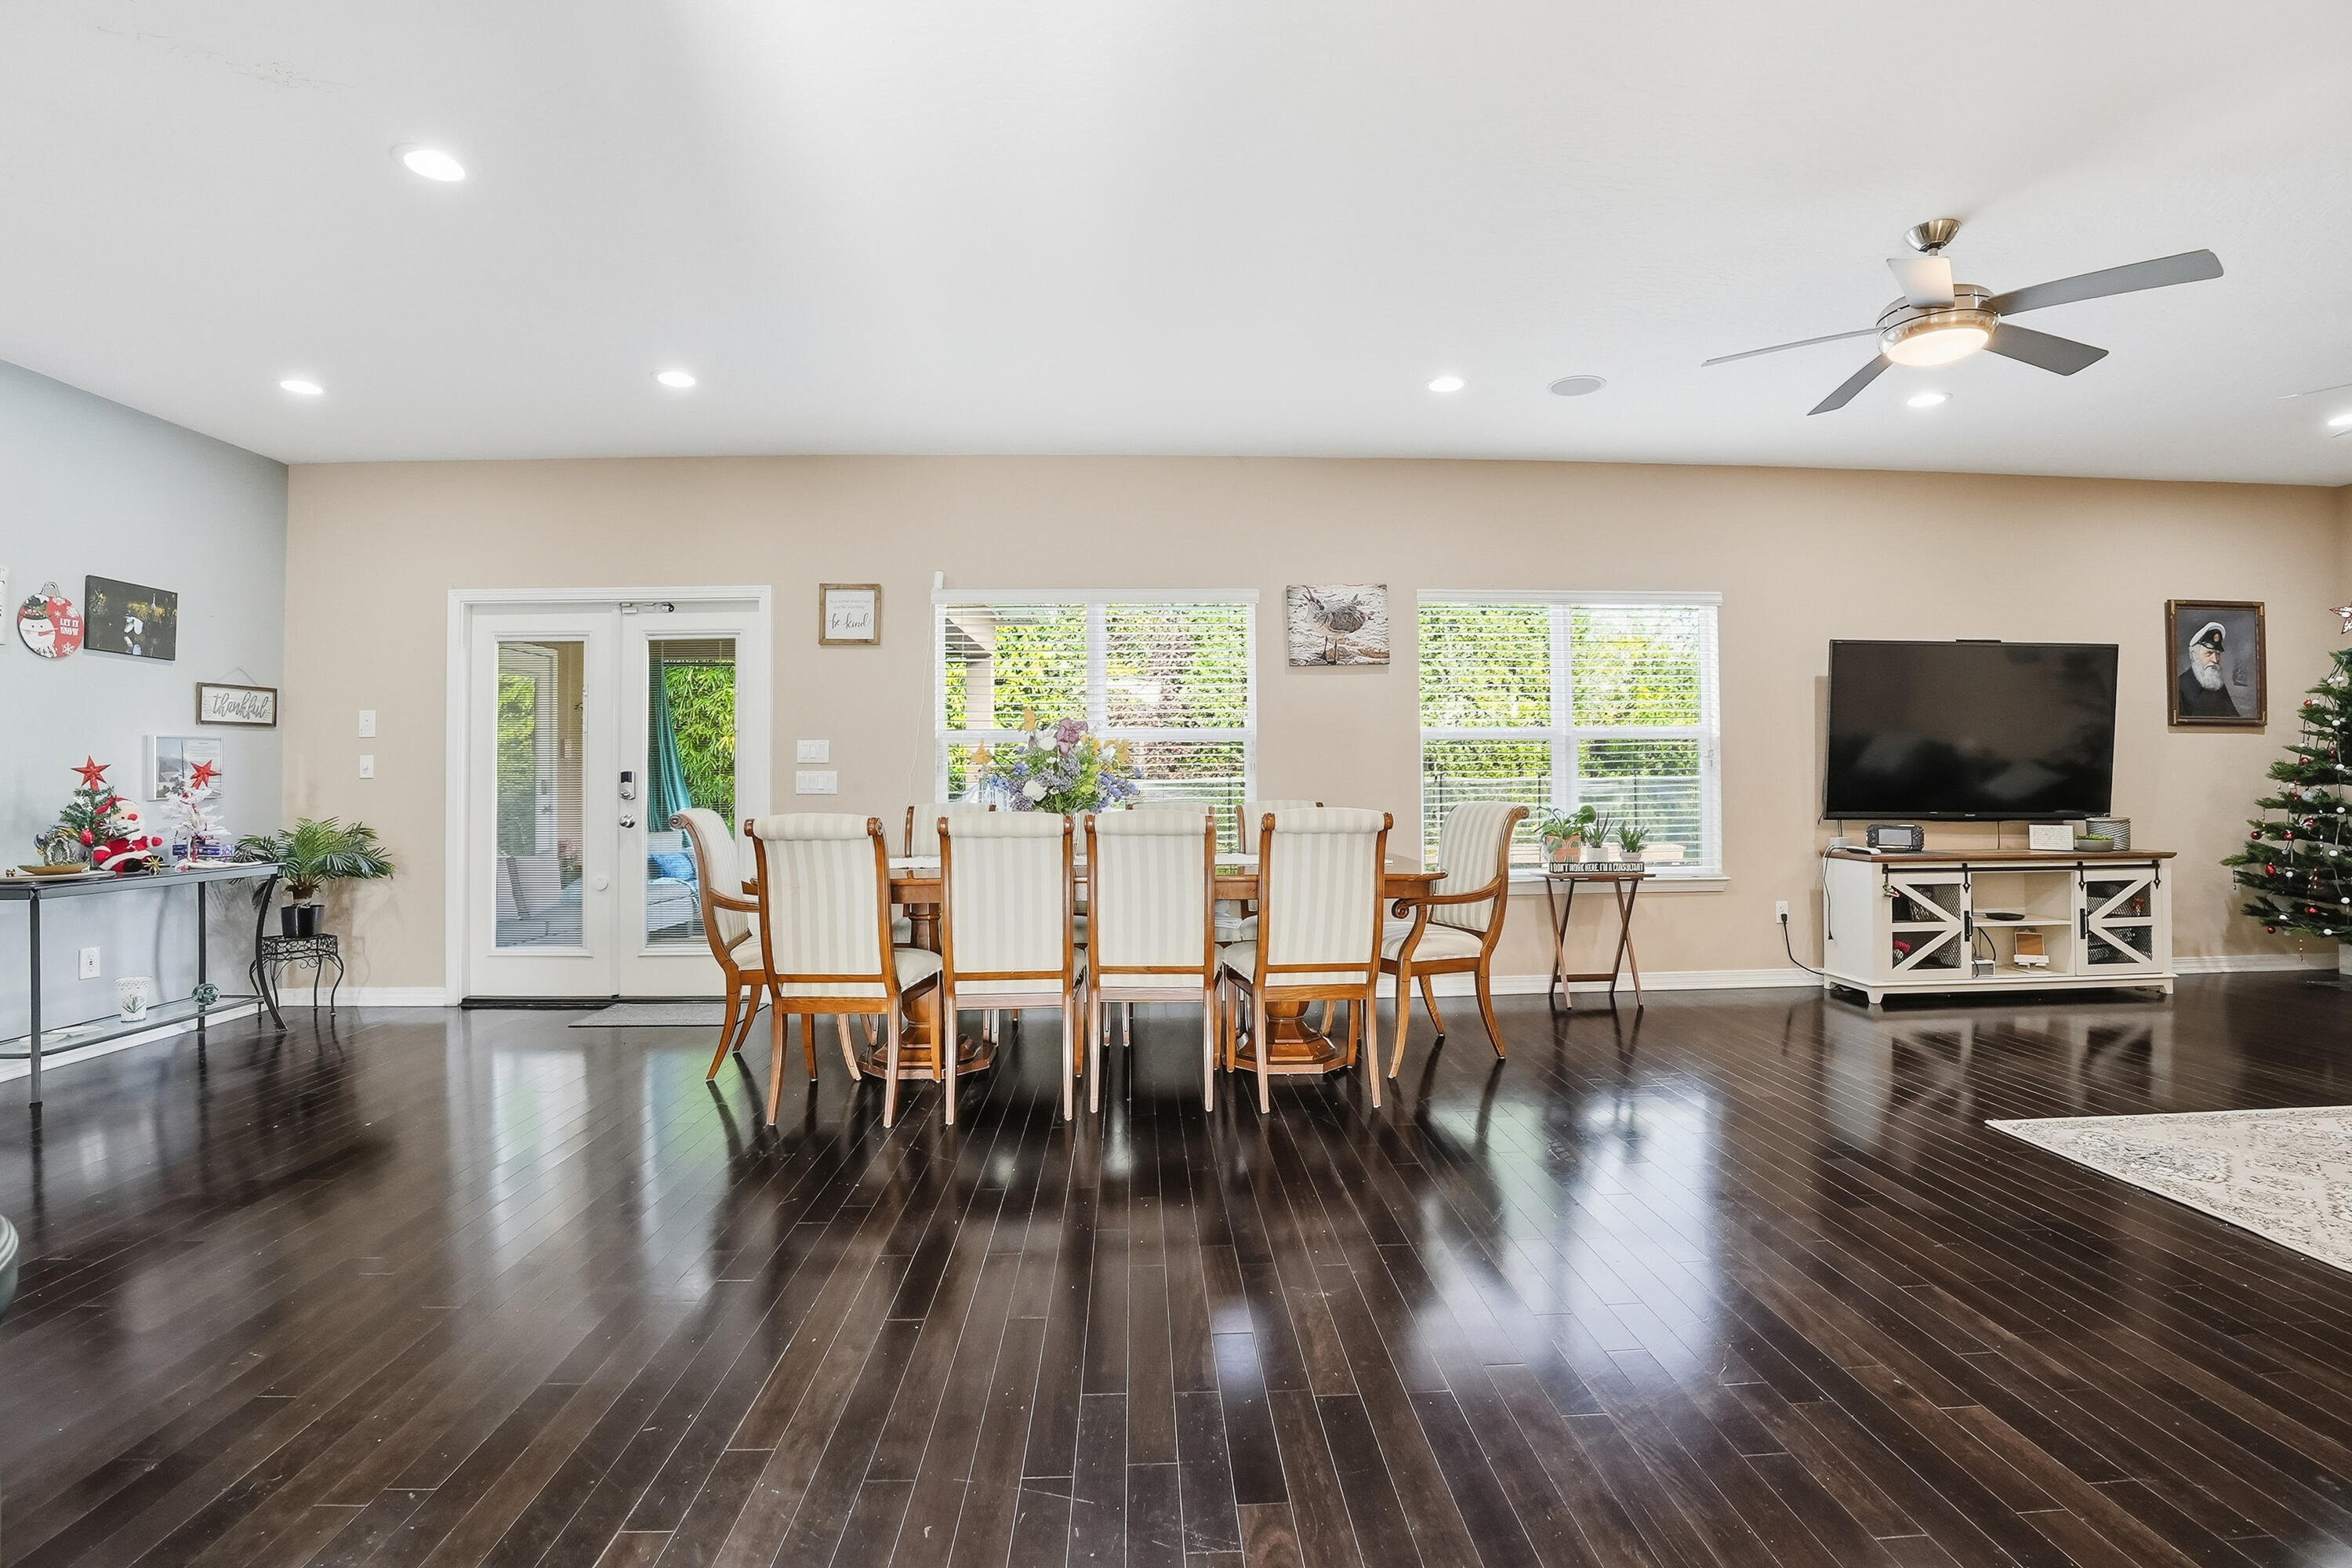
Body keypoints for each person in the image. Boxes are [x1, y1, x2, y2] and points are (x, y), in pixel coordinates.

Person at [2176, 620, 2241, 718]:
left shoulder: (2217, 685)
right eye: (2209, 653)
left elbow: (2234, 719)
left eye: (2218, 654)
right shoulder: (2180, 685)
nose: (2215, 660)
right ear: (2194, 656)